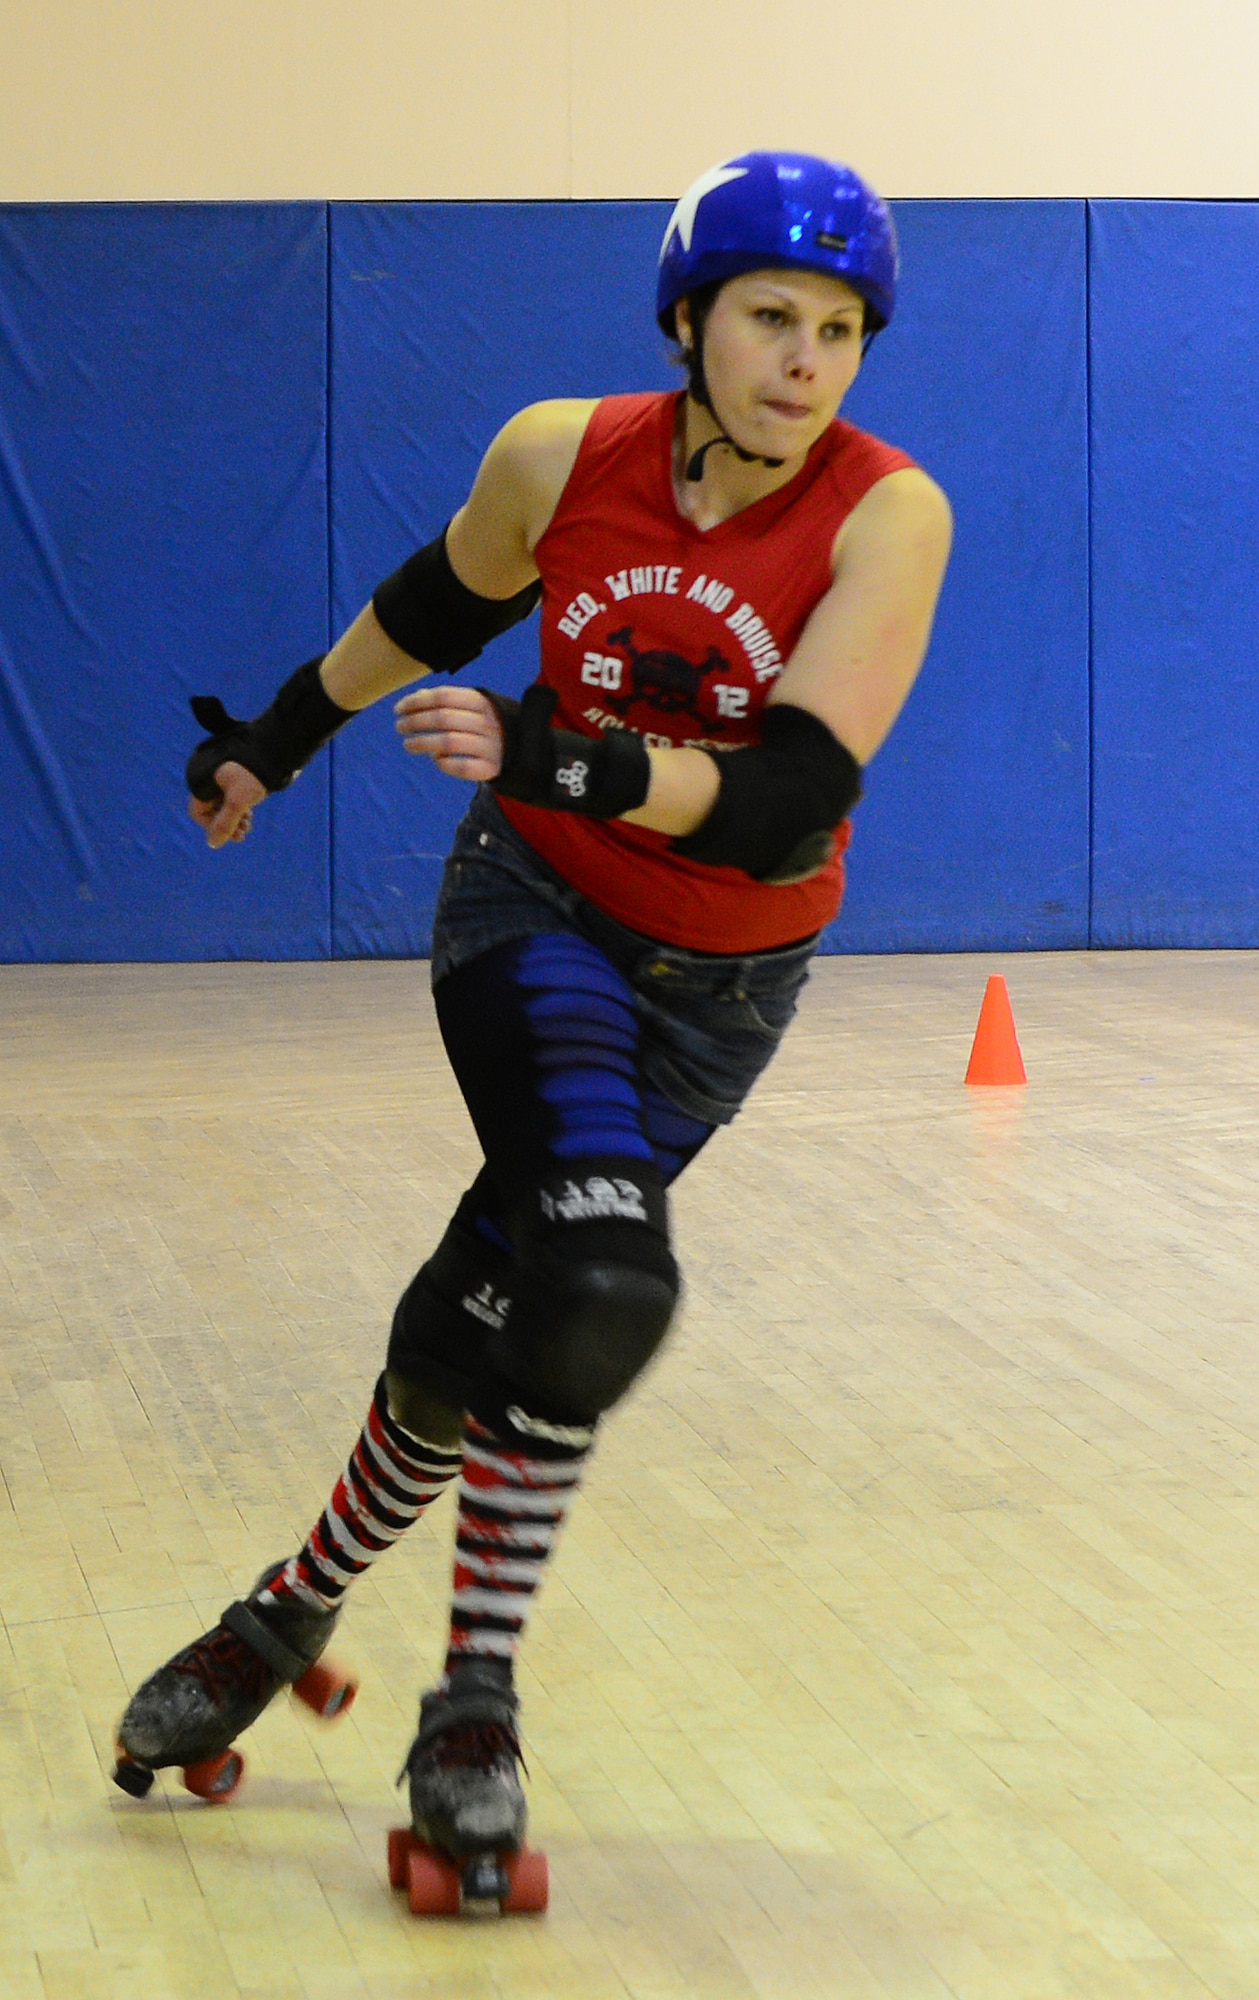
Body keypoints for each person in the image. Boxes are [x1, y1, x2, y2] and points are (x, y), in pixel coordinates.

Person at [112, 150, 952, 1870]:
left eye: (841, 330)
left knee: (490, 1311)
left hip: (727, 987)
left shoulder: (886, 514)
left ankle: (286, 1607)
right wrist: (272, 740)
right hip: (539, 912)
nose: (806, 359)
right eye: (771, 318)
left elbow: (791, 795)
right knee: (601, 1273)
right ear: (689, 320)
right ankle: (471, 1706)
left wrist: (553, 746)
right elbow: (438, 604)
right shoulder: (564, 455)